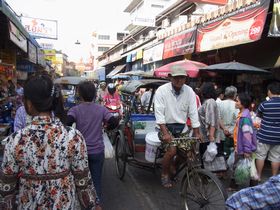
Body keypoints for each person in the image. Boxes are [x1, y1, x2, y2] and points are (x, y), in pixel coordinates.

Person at [0, 74, 100, 210]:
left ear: (29, 103)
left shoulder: (15, 140)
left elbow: (6, 190)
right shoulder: (73, 137)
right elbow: (83, 184)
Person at [67, 81, 118, 203]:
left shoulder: (75, 110)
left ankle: (82, 204)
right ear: (95, 94)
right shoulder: (101, 109)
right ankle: (96, 203)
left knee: (79, 182)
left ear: (80, 95)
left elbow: (67, 123)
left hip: (80, 153)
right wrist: (106, 128)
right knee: (96, 182)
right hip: (97, 151)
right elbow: (114, 122)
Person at [154, 66, 200, 188]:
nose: (179, 80)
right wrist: (165, 133)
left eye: (182, 77)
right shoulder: (161, 91)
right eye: (176, 77)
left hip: (182, 128)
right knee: (172, 150)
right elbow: (159, 114)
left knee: (187, 153)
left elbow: (193, 112)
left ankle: (174, 165)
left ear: (186, 78)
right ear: (170, 78)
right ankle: (164, 174)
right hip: (165, 127)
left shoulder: (189, 91)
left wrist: (197, 132)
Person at [228, 93, 257, 191]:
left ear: (243, 103)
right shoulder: (242, 115)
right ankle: (238, 185)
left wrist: (247, 150)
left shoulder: (244, 118)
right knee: (239, 166)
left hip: (243, 148)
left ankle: (247, 188)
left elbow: (247, 136)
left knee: (243, 168)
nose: (235, 102)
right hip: (239, 146)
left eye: (237, 101)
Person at [256, 81, 280, 180]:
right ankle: (274, 178)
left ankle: (258, 176)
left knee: (261, 155)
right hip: (278, 136)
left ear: (269, 91)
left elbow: (258, 116)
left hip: (264, 135)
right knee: (276, 157)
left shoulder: (264, 104)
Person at [198, 82, 222, 168]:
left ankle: (207, 178)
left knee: (206, 162)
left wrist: (211, 136)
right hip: (205, 137)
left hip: (207, 137)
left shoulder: (210, 102)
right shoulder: (209, 102)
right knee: (205, 160)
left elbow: (212, 120)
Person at [218, 86, 239, 157]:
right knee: (231, 153)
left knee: (221, 153)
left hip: (221, 133)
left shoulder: (220, 104)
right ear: (234, 95)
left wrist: (224, 128)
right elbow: (237, 119)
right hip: (232, 133)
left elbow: (218, 118)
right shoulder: (237, 105)